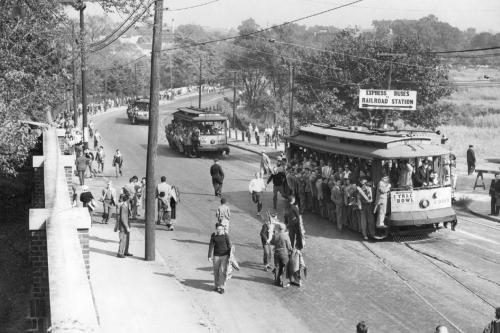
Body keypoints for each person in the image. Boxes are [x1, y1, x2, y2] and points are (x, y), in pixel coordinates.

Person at [208, 223, 232, 294]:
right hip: (216, 256)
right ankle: (216, 286)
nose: (219, 230)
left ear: (223, 229)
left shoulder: (225, 236)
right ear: (216, 229)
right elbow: (211, 246)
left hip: (225, 256)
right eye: (218, 229)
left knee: (222, 272)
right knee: (216, 271)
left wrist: (231, 255)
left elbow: (229, 245)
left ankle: (222, 287)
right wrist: (209, 256)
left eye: (221, 229)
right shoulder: (214, 236)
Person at [271, 223, 292, 288]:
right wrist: (291, 250)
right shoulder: (286, 236)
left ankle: (276, 282)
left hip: (276, 253)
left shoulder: (276, 235)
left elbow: (272, 242)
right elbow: (289, 246)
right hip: (284, 254)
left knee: (277, 267)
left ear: (279, 228)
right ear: (284, 229)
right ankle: (284, 283)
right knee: (286, 266)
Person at [115, 194, 132, 258]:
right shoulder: (123, 207)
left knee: (126, 239)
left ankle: (124, 251)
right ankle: (120, 253)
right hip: (123, 226)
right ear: (127, 199)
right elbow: (123, 218)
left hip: (126, 225)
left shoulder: (126, 205)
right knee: (122, 239)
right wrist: (127, 226)